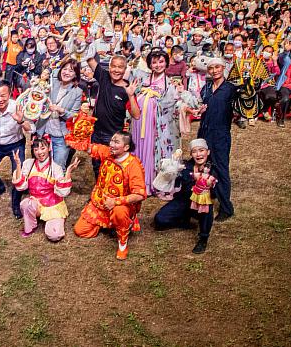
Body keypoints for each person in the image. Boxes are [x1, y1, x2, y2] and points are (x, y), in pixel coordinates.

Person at [73, 132, 146, 260]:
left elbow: (139, 194)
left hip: (120, 206)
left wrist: (116, 201)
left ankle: (122, 243)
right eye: (111, 141)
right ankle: (107, 224)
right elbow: (89, 147)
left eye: (116, 142)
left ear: (126, 147)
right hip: (99, 204)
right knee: (81, 231)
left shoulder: (132, 165)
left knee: (120, 211)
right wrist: (79, 132)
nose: (111, 144)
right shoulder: (107, 153)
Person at [130, 48, 181, 194]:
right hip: (139, 122)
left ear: (166, 63)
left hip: (155, 124)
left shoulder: (169, 83)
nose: (158, 65)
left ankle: (150, 182)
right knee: (137, 146)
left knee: (151, 149)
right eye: (154, 62)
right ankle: (136, 181)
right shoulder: (143, 79)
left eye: (161, 62)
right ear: (149, 64)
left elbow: (171, 104)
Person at [153, 139, 216, 254]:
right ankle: (184, 221)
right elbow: (172, 180)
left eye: (201, 150)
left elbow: (216, 193)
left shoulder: (212, 168)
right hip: (184, 200)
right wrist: (169, 168)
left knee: (207, 206)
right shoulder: (185, 166)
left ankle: (203, 238)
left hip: (200, 203)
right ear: (191, 154)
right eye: (194, 152)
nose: (198, 154)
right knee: (159, 221)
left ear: (208, 152)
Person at [0, 80, 34, 218]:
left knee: (18, 175)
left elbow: (31, 129)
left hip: (16, 145)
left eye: (3, 95)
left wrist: (21, 121)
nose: (0, 99)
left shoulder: (18, 107)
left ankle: (16, 203)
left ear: (10, 94)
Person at [12, 136, 76, 242]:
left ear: (49, 148)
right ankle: (30, 226)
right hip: (36, 202)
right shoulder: (28, 164)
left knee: (54, 236)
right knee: (25, 204)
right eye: (36, 149)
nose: (39, 152)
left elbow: (63, 192)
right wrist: (18, 164)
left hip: (52, 205)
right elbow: (21, 186)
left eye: (43, 148)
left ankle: (56, 220)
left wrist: (68, 172)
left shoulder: (56, 168)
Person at [196, 57, 237, 221]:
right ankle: (203, 199)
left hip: (220, 133)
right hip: (205, 131)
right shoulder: (206, 88)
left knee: (221, 168)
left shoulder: (230, 89)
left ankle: (226, 207)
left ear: (223, 68)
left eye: (217, 67)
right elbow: (201, 105)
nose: (214, 71)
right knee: (204, 167)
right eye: (211, 68)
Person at [86, 54, 140, 179]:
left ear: (125, 69)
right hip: (96, 131)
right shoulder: (103, 76)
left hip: (112, 135)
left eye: (120, 67)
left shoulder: (127, 89)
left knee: (110, 166)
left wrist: (131, 96)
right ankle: (99, 193)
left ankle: (110, 194)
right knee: (96, 164)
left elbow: (136, 115)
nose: (116, 70)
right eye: (113, 66)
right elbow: (89, 59)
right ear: (109, 67)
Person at [35, 58, 83, 169]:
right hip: (44, 132)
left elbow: (74, 116)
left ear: (76, 74)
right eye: (65, 69)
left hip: (61, 136)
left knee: (58, 168)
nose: (66, 72)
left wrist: (61, 110)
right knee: (42, 166)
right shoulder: (52, 84)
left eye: (71, 71)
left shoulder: (77, 92)